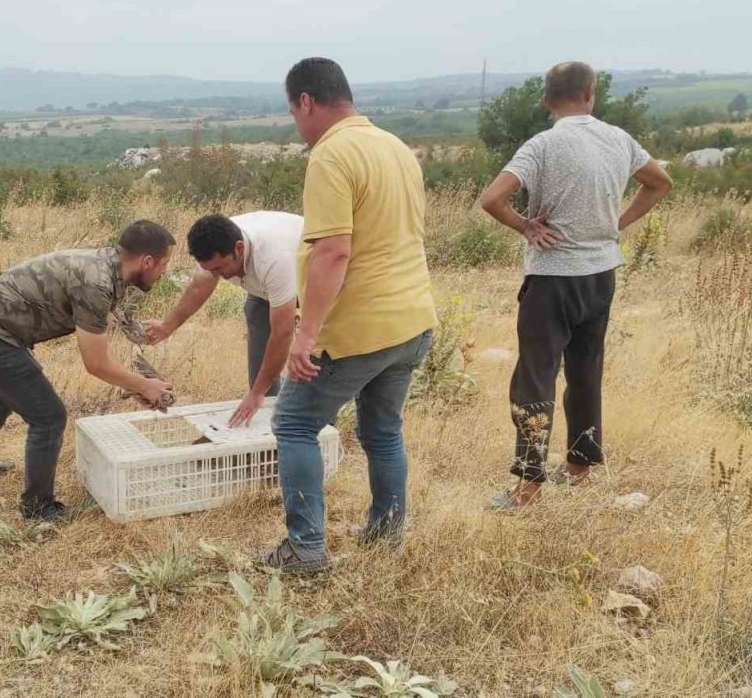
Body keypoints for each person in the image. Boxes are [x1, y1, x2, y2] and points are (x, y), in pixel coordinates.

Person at [265, 58, 437, 574]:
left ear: (307, 103)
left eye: (295, 113)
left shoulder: (331, 155)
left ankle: (306, 547)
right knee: (383, 432)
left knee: (294, 423)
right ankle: (386, 535)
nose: (299, 123)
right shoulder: (395, 147)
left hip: (359, 327)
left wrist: (306, 334)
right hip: (412, 319)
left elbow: (334, 251)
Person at [477, 61, 673, 509]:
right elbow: (660, 183)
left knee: (535, 377)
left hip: (552, 279)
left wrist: (526, 226)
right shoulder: (619, 139)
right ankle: (580, 469)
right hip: (601, 274)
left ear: (547, 101)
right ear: (590, 93)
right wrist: (616, 224)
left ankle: (527, 487)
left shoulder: (543, 144)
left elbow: (491, 199)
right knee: (585, 371)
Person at [0, 220, 176, 522]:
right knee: (49, 416)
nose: (164, 273)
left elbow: (112, 334)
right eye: (164, 265)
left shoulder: (107, 268)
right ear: (147, 261)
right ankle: (39, 508)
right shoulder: (95, 282)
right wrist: (144, 386)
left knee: (10, 393)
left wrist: (137, 384)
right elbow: (95, 363)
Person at [144, 211, 302, 427]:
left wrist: (256, 393)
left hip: (321, 283)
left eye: (219, 268)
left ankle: (318, 429)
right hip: (266, 288)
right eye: (210, 269)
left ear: (239, 249)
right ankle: (267, 424)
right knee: (257, 316)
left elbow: (282, 333)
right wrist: (167, 326)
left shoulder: (273, 259)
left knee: (314, 362)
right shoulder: (213, 242)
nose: (216, 275)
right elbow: (201, 284)